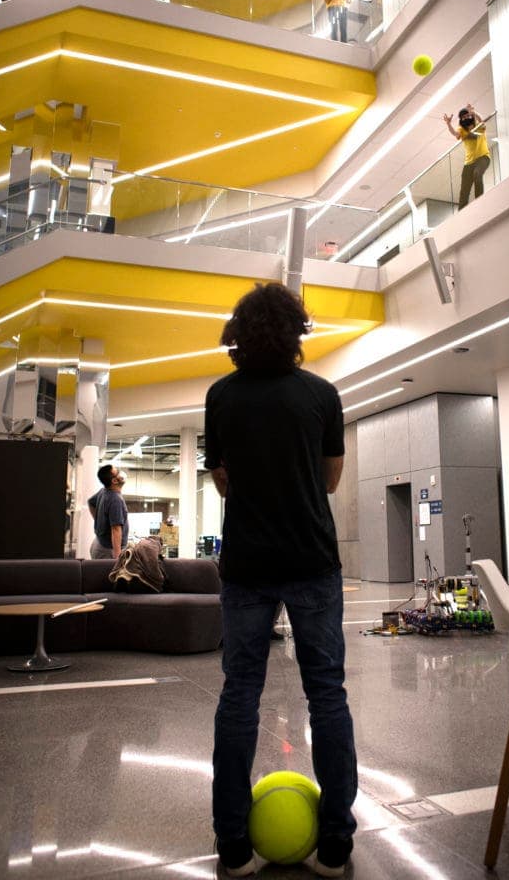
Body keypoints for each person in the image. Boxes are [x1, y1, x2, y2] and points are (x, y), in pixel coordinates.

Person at [205, 282, 357, 878]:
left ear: (237, 334)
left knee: (238, 695)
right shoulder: (321, 394)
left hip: (246, 565)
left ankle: (233, 846)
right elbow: (330, 480)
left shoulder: (221, 396)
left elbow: (222, 481)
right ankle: (338, 843)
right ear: (297, 331)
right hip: (313, 561)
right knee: (328, 695)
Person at [443, 104, 491, 210]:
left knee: (477, 174)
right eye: (463, 117)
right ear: (461, 120)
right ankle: (461, 212)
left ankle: (480, 201)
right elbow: (455, 133)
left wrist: (474, 113)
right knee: (464, 189)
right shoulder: (462, 130)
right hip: (469, 162)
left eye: (467, 116)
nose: (465, 118)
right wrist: (449, 124)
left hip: (483, 157)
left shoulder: (478, 126)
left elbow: (482, 121)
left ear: (470, 116)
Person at [88, 464, 129, 559]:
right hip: (108, 551)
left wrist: (99, 521)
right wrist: (117, 557)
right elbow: (116, 529)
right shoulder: (115, 499)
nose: (121, 472)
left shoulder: (103, 491)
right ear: (114, 481)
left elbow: (91, 503)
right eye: (118, 472)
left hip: (99, 544)